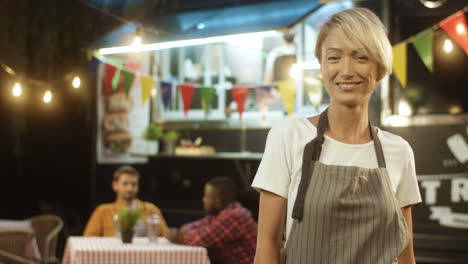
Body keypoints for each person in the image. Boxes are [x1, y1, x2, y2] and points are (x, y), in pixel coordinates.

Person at [252, 8, 422, 264]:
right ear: (321, 67)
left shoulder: (399, 151)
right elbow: (267, 247)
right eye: (333, 58)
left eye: (361, 57)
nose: (346, 70)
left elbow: (405, 254)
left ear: (380, 67)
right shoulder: (289, 136)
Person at [172, 177, 257, 264]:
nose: (203, 200)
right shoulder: (220, 214)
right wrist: (183, 232)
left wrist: (180, 234)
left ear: (217, 201)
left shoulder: (235, 216)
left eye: (206, 196)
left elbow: (197, 240)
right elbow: (190, 227)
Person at [83, 165, 170, 238]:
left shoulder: (150, 209)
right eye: (125, 184)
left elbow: (167, 237)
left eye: (134, 184)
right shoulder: (102, 211)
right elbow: (87, 239)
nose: (130, 188)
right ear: (115, 185)